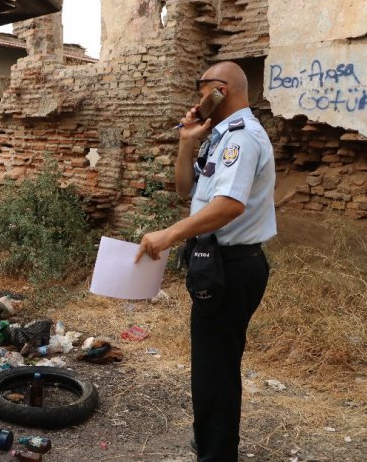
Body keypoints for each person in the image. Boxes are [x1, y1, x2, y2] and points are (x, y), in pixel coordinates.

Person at [135, 61, 276, 462]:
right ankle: (212, 438)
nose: (198, 100)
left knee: (215, 371)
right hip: (218, 263)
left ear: (221, 90)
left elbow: (229, 205)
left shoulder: (241, 139)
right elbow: (185, 188)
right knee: (213, 366)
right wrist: (187, 141)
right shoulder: (219, 137)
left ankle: (216, 452)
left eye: (202, 92)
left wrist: (169, 234)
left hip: (232, 266)